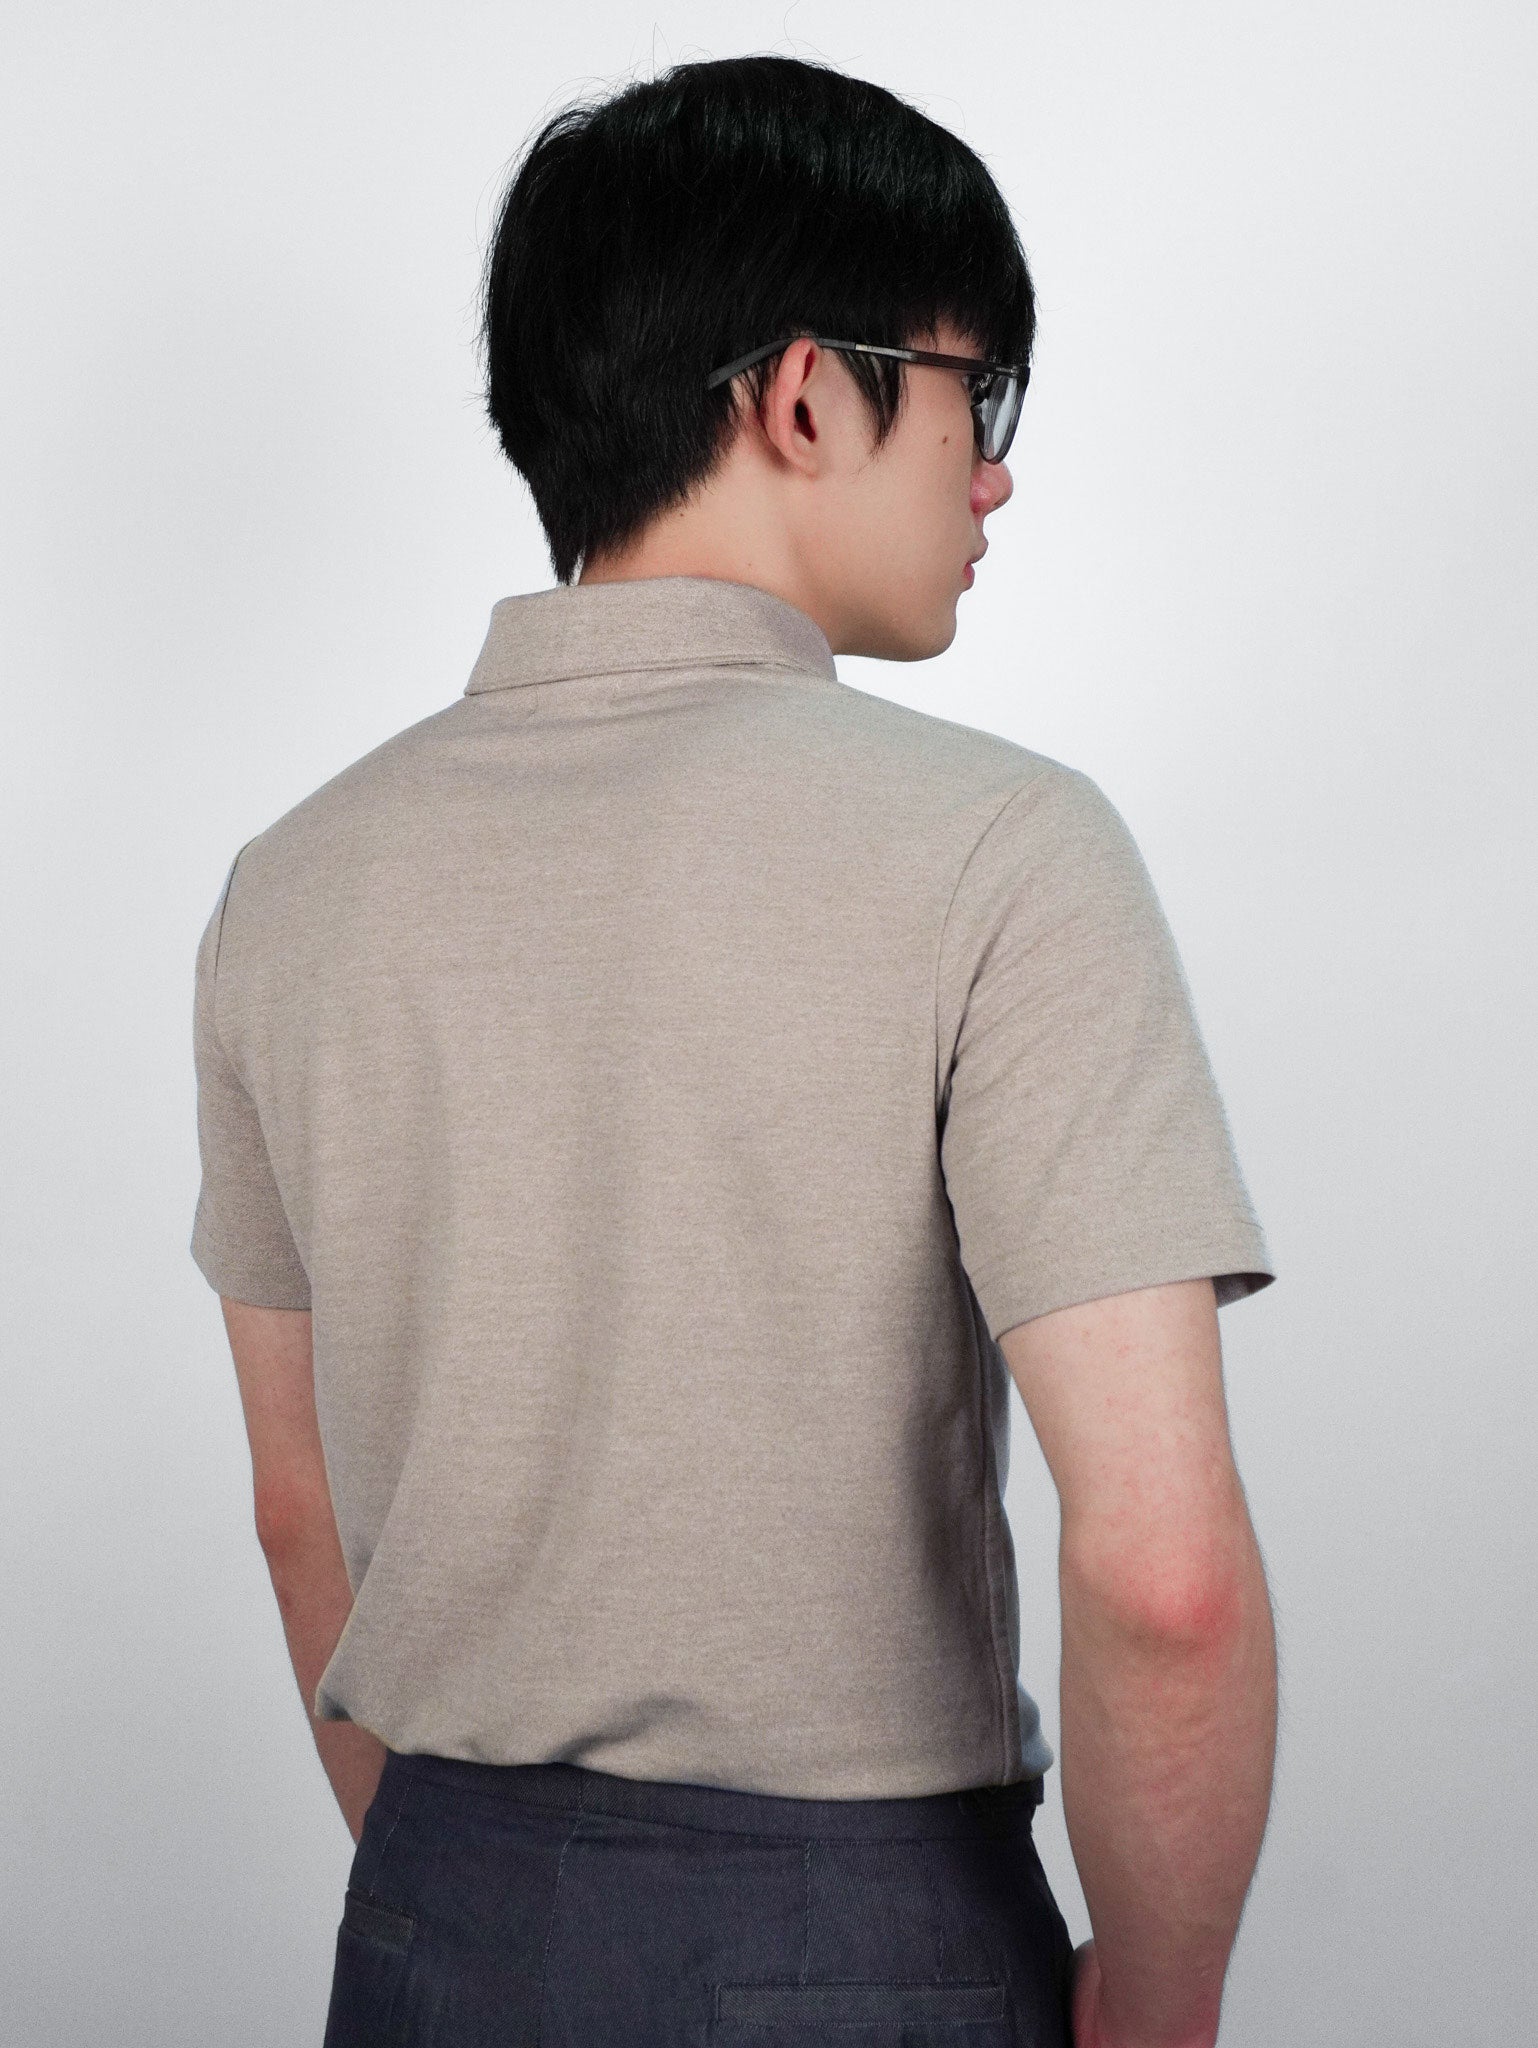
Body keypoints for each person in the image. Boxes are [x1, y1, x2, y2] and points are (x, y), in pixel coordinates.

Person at [189, 53, 1279, 2048]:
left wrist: (471, 1896)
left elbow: (297, 1514)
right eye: (974, 395)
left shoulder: (292, 883)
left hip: (433, 1926)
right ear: (801, 396)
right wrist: (1161, 2004)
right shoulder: (1000, 848)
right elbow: (1163, 1578)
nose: (992, 474)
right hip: (863, 1942)